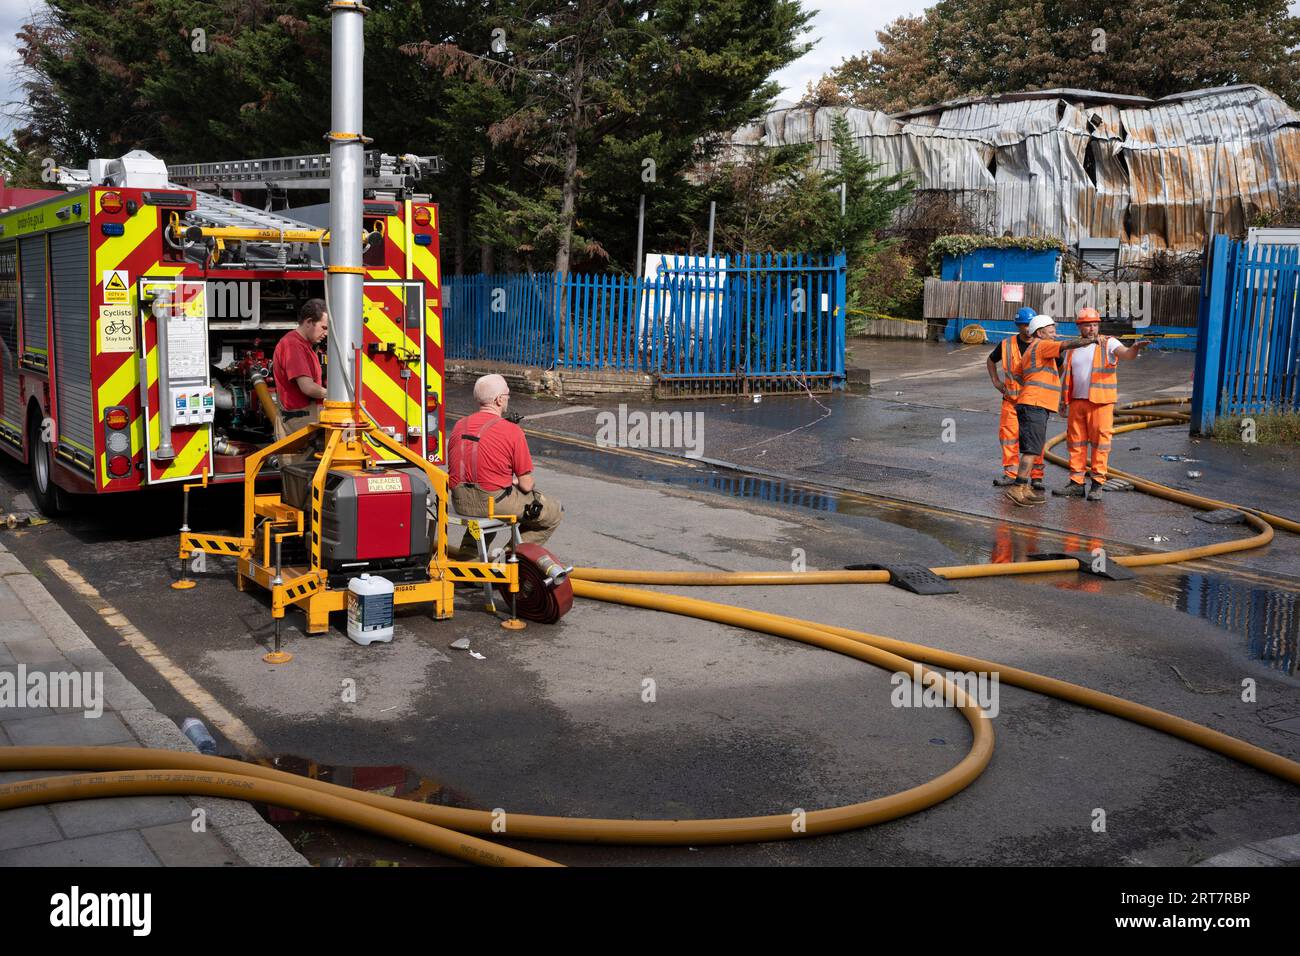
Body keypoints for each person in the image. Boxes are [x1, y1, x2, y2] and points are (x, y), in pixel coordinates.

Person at [447, 373, 562, 558]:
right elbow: (526, 484)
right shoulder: (512, 430)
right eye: (507, 395)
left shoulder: (460, 425)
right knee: (553, 512)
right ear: (499, 399)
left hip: (460, 501)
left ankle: (468, 561)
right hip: (492, 503)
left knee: (487, 510)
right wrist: (514, 481)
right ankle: (508, 559)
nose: (508, 399)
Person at [1052, 307, 1151, 501]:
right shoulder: (1074, 346)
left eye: (1095, 325)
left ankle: (1097, 484)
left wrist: (1134, 349)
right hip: (1077, 402)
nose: (1092, 329)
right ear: (1079, 326)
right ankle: (1076, 483)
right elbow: (1068, 376)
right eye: (1088, 325)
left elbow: (1126, 355)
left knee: (1100, 444)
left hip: (1101, 403)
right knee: (1076, 444)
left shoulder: (1108, 343)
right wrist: (1063, 401)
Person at [1004, 314, 1095, 507]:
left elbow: (1017, 374)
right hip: (1035, 404)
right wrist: (1092, 339)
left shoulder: (1030, 350)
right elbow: (1067, 345)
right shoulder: (1041, 345)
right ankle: (1017, 487)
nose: (1055, 335)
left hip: (1032, 403)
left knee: (1034, 448)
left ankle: (1024, 488)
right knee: (1031, 450)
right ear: (1040, 332)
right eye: (1052, 331)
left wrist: (1033, 385)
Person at [987, 306, 1045, 489]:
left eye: (1029, 325)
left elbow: (1058, 365)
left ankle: (1036, 476)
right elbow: (991, 360)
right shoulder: (1006, 344)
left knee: (1035, 440)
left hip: (1035, 402)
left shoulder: (1043, 344)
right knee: (1008, 438)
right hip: (1011, 401)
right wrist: (996, 381)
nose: (1026, 328)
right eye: (1023, 325)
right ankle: (1011, 473)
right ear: (1018, 325)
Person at [272, 298, 328, 441]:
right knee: (300, 463)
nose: (326, 333)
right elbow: (308, 388)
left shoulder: (305, 345)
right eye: (324, 327)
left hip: (304, 420)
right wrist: (335, 395)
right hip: (299, 423)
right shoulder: (293, 345)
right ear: (309, 322)